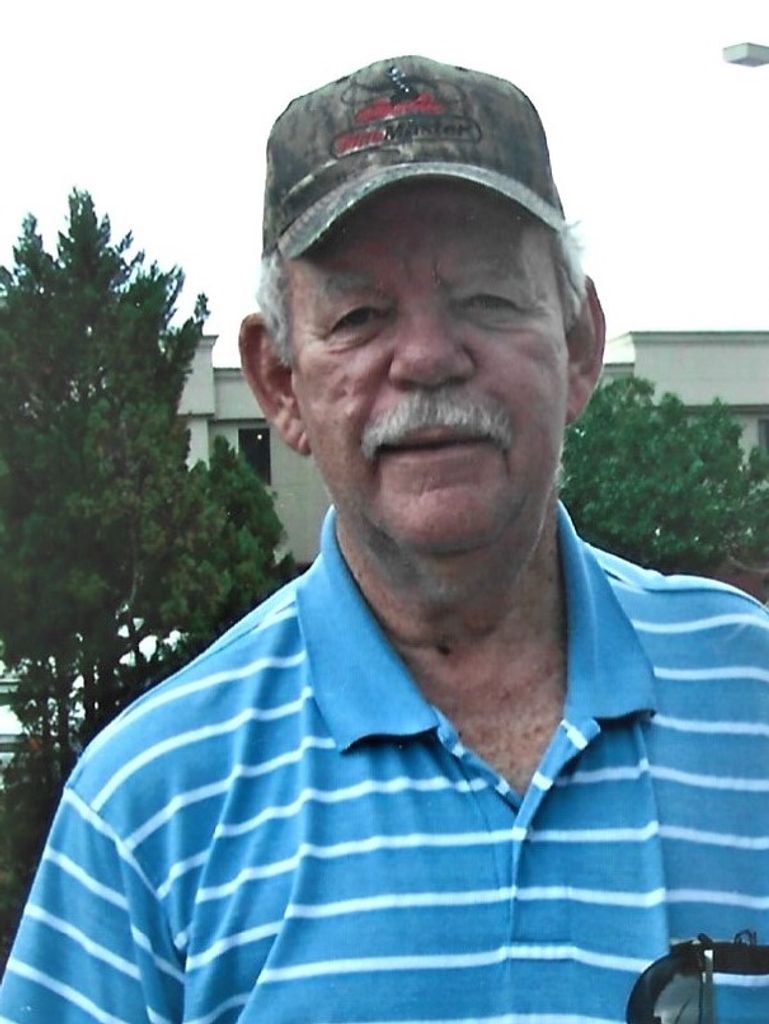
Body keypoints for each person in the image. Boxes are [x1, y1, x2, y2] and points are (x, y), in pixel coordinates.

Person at [1, 54, 768, 1024]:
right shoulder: (148, 805)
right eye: (360, 315)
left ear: (578, 345)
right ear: (279, 381)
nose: (429, 358)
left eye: (487, 299)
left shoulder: (752, 701)